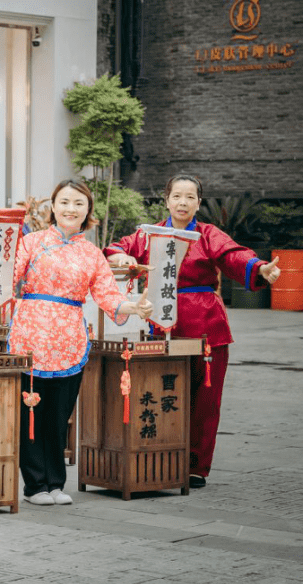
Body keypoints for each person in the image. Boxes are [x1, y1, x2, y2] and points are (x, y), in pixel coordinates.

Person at [105, 174, 281, 489]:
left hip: (205, 326)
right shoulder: (150, 234)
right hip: (162, 324)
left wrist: (258, 267)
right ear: (167, 199)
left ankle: (196, 465)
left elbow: (232, 255)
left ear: (198, 203)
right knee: (162, 393)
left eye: (190, 197)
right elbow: (118, 247)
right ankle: (159, 457)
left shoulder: (207, 234)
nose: (183, 203)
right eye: (177, 196)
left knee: (205, 398)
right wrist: (121, 255)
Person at [8, 179, 153, 506]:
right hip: (31, 336)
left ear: (88, 211)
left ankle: (56, 483)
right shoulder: (31, 243)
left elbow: (107, 294)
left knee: (60, 416)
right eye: (64, 202)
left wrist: (133, 307)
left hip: (70, 339)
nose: (70, 209)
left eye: (78, 204)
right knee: (32, 413)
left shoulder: (91, 253)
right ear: (53, 206)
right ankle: (34, 486)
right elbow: (6, 277)